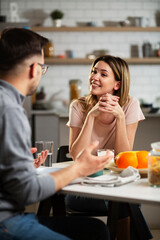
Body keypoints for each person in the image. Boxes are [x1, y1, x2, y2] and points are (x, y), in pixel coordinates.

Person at [0, 28, 113, 240]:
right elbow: (28, 192)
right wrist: (79, 168)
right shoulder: (10, 110)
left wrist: (21, 166)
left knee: (97, 230)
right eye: (43, 68)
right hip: (6, 223)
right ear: (34, 69)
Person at [66, 55, 152, 239]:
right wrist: (91, 116)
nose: (94, 77)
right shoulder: (78, 107)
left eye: (103, 74)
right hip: (83, 188)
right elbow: (77, 158)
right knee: (127, 201)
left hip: (115, 185)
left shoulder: (130, 104)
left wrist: (120, 118)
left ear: (117, 85)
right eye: (94, 71)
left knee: (125, 199)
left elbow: (124, 157)